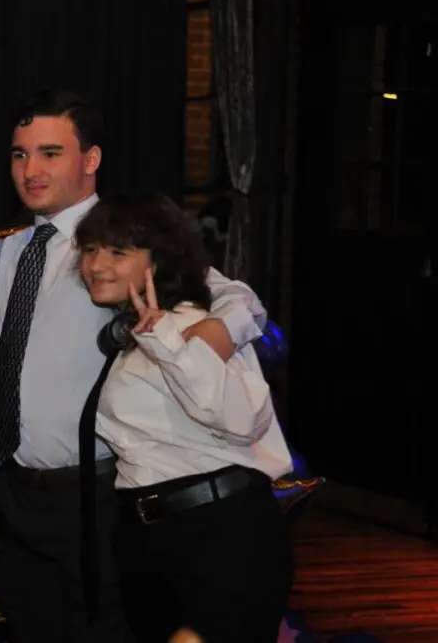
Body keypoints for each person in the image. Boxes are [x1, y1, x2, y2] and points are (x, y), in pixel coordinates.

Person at [0, 89, 268, 643]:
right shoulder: (5, 250)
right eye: (20, 154)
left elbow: (240, 299)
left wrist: (210, 337)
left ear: (91, 159)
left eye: (50, 153)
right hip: (14, 492)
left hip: (98, 493)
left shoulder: (122, 243)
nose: (31, 170)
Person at [76, 192, 294, 643]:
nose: (97, 264)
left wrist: (170, 344)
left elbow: (242, 420)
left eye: (118, 252)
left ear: (157, 261)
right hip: (150, 539)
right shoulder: (135, 332)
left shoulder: (195, 324)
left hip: (219, 536)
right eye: (91, 249)